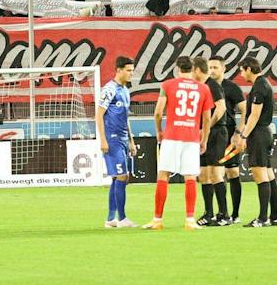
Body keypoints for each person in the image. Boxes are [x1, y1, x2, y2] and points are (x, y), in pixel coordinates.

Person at [146, 55, 210, 230]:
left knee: (163, 176)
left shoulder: (167, 85)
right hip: (191, 137)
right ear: (193, 69)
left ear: (177, 69)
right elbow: (207, 117)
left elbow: (158, 112)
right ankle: (190, 220)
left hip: (172, 135)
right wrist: (203, 139)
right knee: (190, 177)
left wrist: (159, 130)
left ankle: (157, 220)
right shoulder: (203, 88)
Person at [236, 57, 277, 227]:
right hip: (265, 132)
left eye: (242, 70)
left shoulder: (259, 87)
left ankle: (262, 218)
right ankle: (274, 216)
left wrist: (244, 136)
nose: (241, 74)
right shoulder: (264, 83)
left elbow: (254, 115)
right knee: (269, 175)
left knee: (260, 175)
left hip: (259, 134)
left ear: (249, 68)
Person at [197, 57, 239, 226]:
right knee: (204, 174)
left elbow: (221, 108)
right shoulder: (204, 86)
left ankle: (224, 214)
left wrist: (208, 126)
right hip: (206, 132)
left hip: (216, 133)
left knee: (215, 173)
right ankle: (209, 213)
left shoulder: (213, 85)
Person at [95, 56, 136, 228]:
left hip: (124, 139)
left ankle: (111, 219)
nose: (131, 74)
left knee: (117, 178)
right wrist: (103, 140)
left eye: (132, 71)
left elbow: (125, 118)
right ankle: (123, 218)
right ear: (118, 70)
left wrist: (132, 141)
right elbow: (98, 114)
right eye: (128, 70)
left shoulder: (125, 90)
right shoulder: (109, 89)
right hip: (112, 139)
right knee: (122, 176)